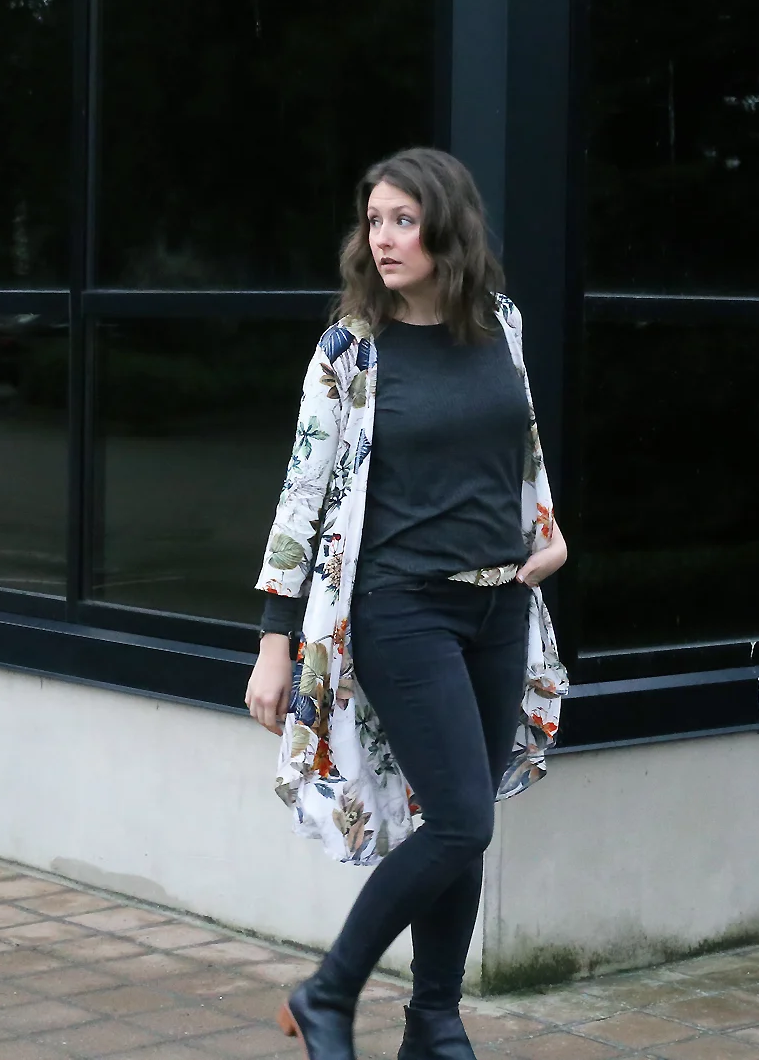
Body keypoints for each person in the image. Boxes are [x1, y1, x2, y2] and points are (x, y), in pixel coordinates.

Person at [245, 148, 569, 1060]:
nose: (382, 238)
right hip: (401, 607)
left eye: (402, 219)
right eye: (374, 220)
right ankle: (328, 992)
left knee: (454, 823)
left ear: (447, 227)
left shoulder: (502, 323)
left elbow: (519, 446)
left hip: (500, 605)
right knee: (464, 817)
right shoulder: (352, 349)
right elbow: (302, 495)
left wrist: (549, 530)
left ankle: (433, 1022)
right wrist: (274, 640)